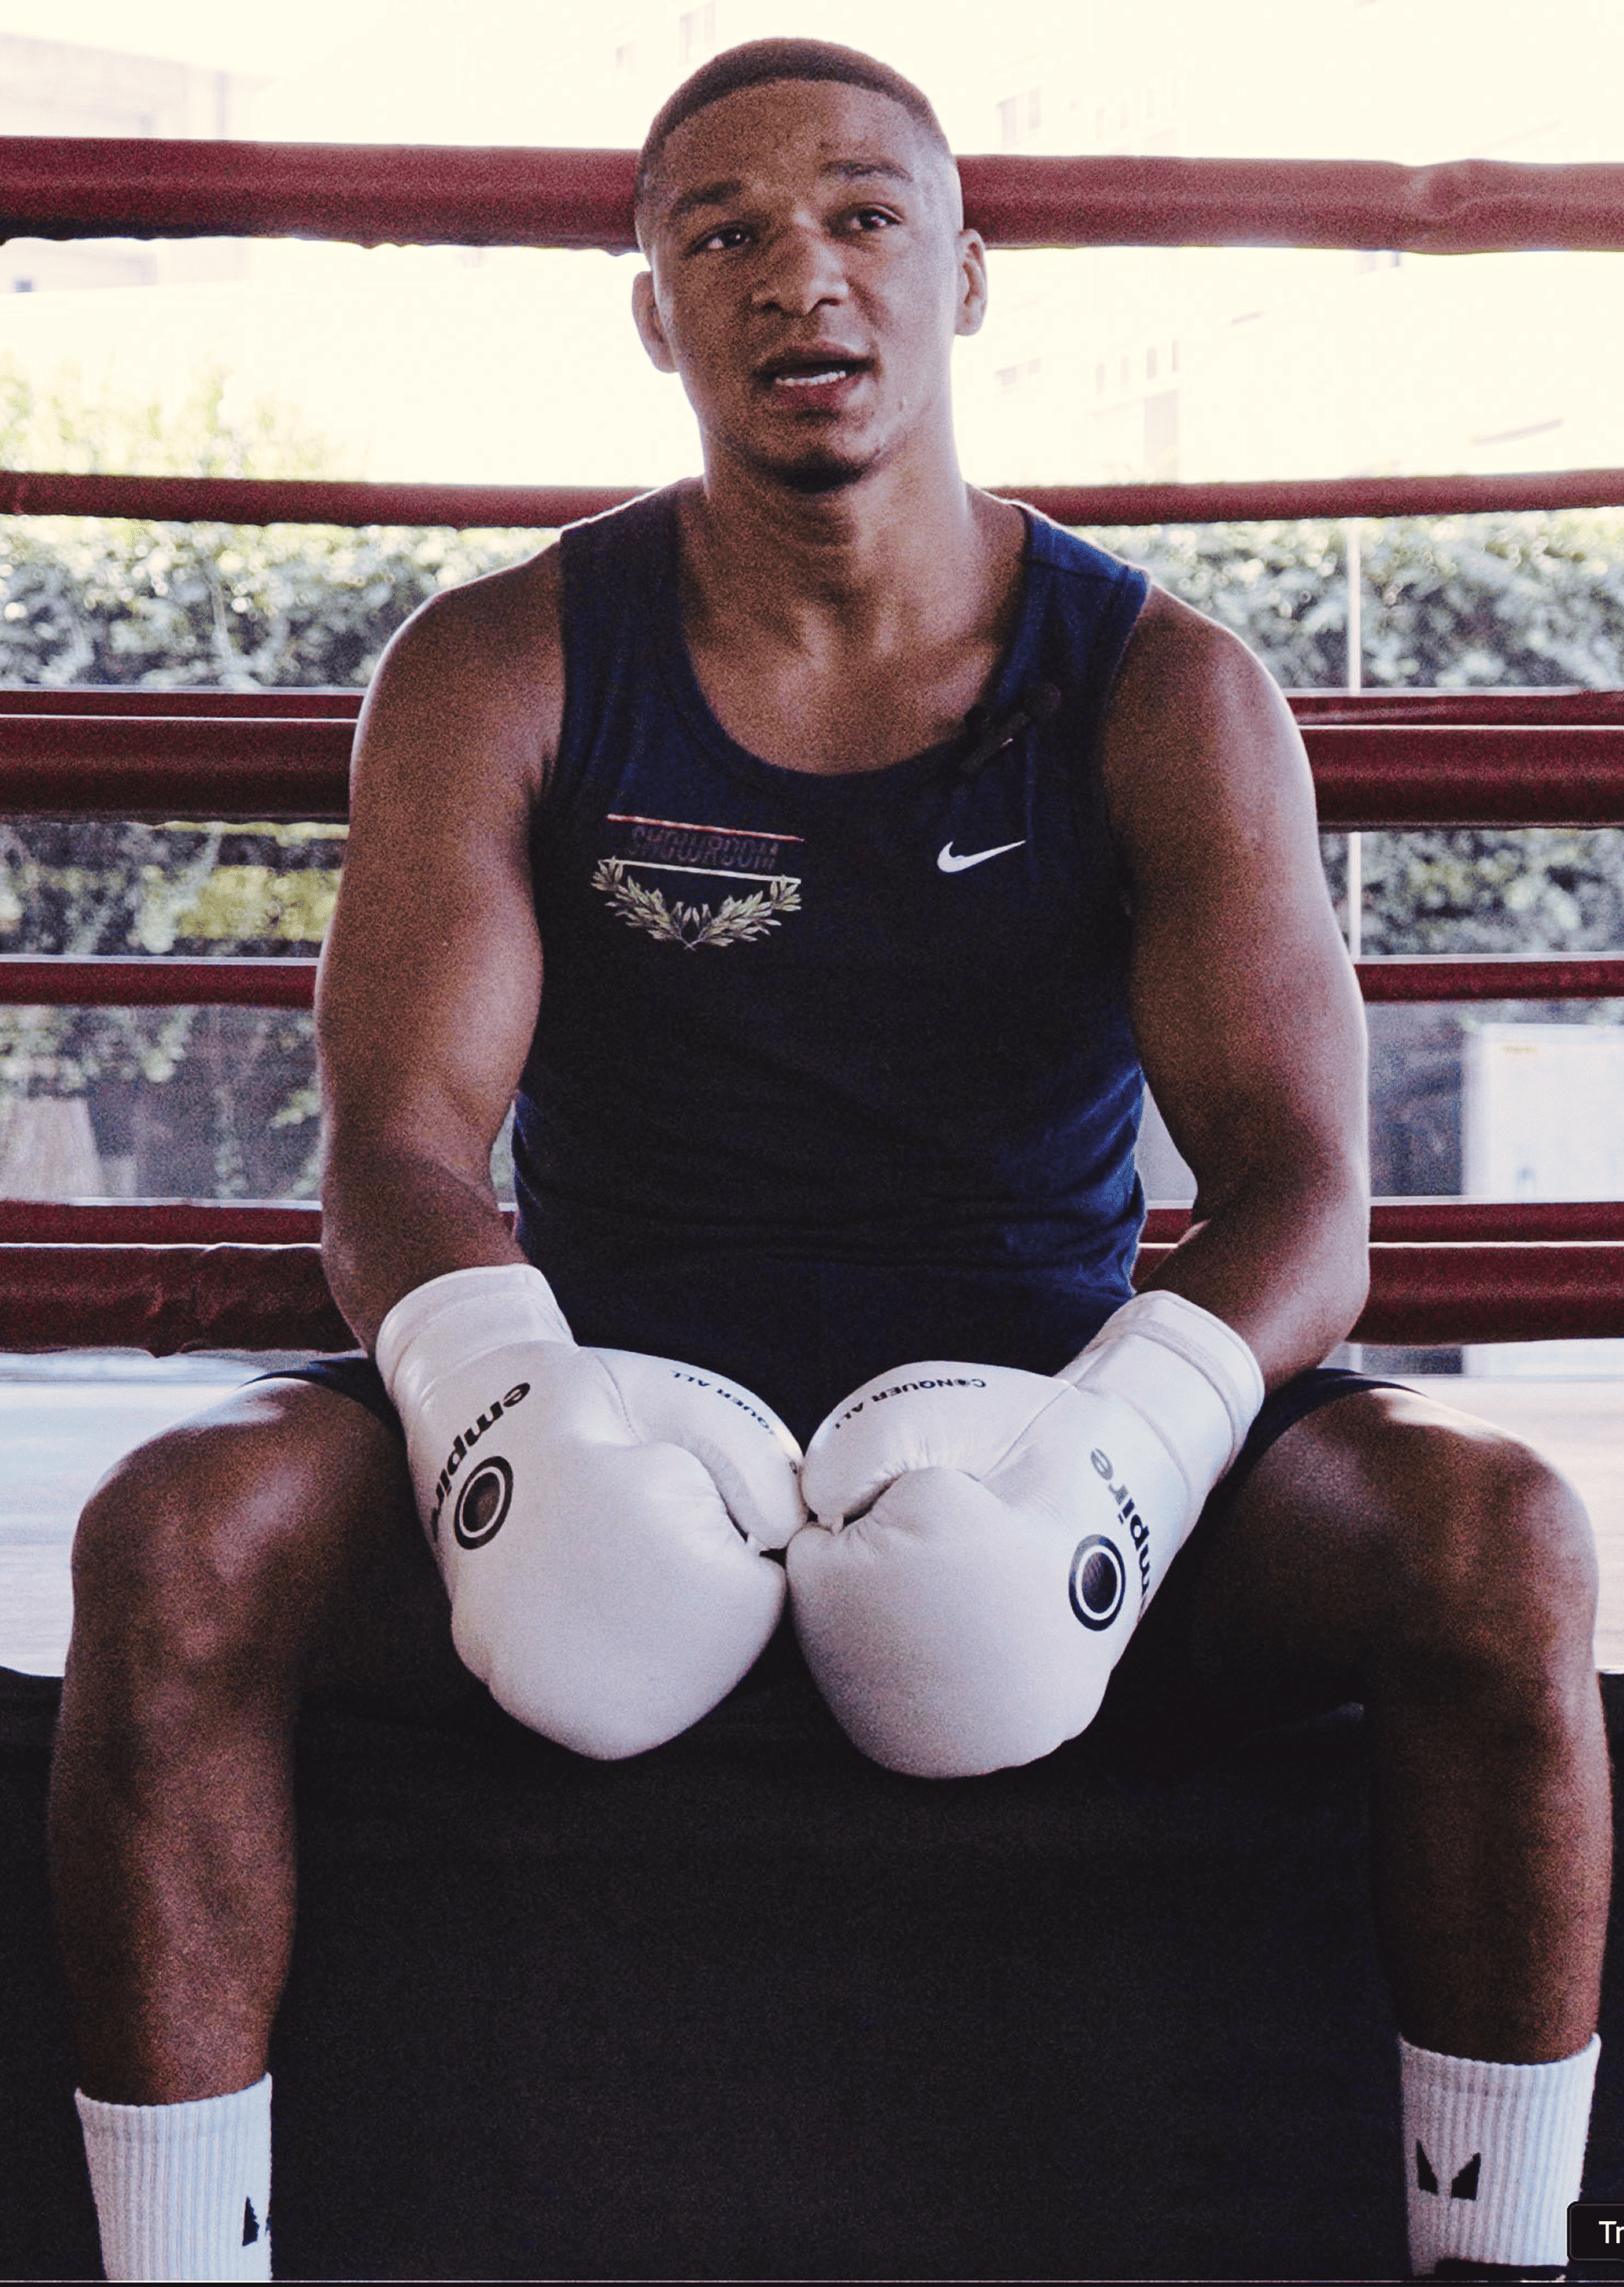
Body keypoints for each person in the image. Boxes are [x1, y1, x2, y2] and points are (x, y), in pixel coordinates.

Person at [50, 37, 1606, 2283]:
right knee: (170, 1541)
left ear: (969, 272)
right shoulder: (502, 666)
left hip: (1035, 1445)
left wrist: (1115, 1465)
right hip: (617, 1434)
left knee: (1504, 1546)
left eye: (866, 213)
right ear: (656, 309)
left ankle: (1509, 2259)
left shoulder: (1162, 689)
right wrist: (510, 1413)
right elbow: (396, 1138)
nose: (804, 275)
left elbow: (1300, 1190)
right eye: (727, 232)